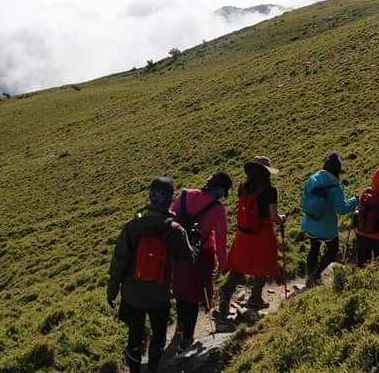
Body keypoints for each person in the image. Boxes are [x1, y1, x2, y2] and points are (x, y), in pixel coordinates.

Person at [107, 177, 197, 373]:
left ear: (150, 196)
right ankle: (153, 368)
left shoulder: (132, 226)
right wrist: (194, 245)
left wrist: (112, 290)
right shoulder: (176, 230)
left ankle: (134, 370)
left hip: (132, 294)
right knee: (158, 335)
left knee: (134, 335)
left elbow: (119, 261)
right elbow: (186, 265)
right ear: (170, 199)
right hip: (160, 296)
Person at [169, 171, 232, 352]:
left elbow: (171, 221)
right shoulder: (218, 209)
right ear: (221, 190)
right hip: (202, 254)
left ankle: (180, 326)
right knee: (194, 296)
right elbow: (221, 240)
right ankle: (187, 337)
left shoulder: (184, 195)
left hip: (179, 251)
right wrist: (223, 264)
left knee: (181, 290)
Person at [218, 156, 284, 315]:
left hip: (243, 233)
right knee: (262, 264)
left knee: (238, 265)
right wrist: (282, 218)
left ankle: (226, 292)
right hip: (262, 233)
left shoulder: (243, 187)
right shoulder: (270, 191)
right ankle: (255, 297)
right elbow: (273, 217)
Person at [300, 152, 357, 287]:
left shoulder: (312, 179)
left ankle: (310, 276)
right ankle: (316, 274)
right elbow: (341, 209)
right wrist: (355, 200)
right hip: (326, 227)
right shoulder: (335, 186)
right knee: (333, 249)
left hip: (310, 221)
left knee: (314, 248)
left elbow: (303, 200)